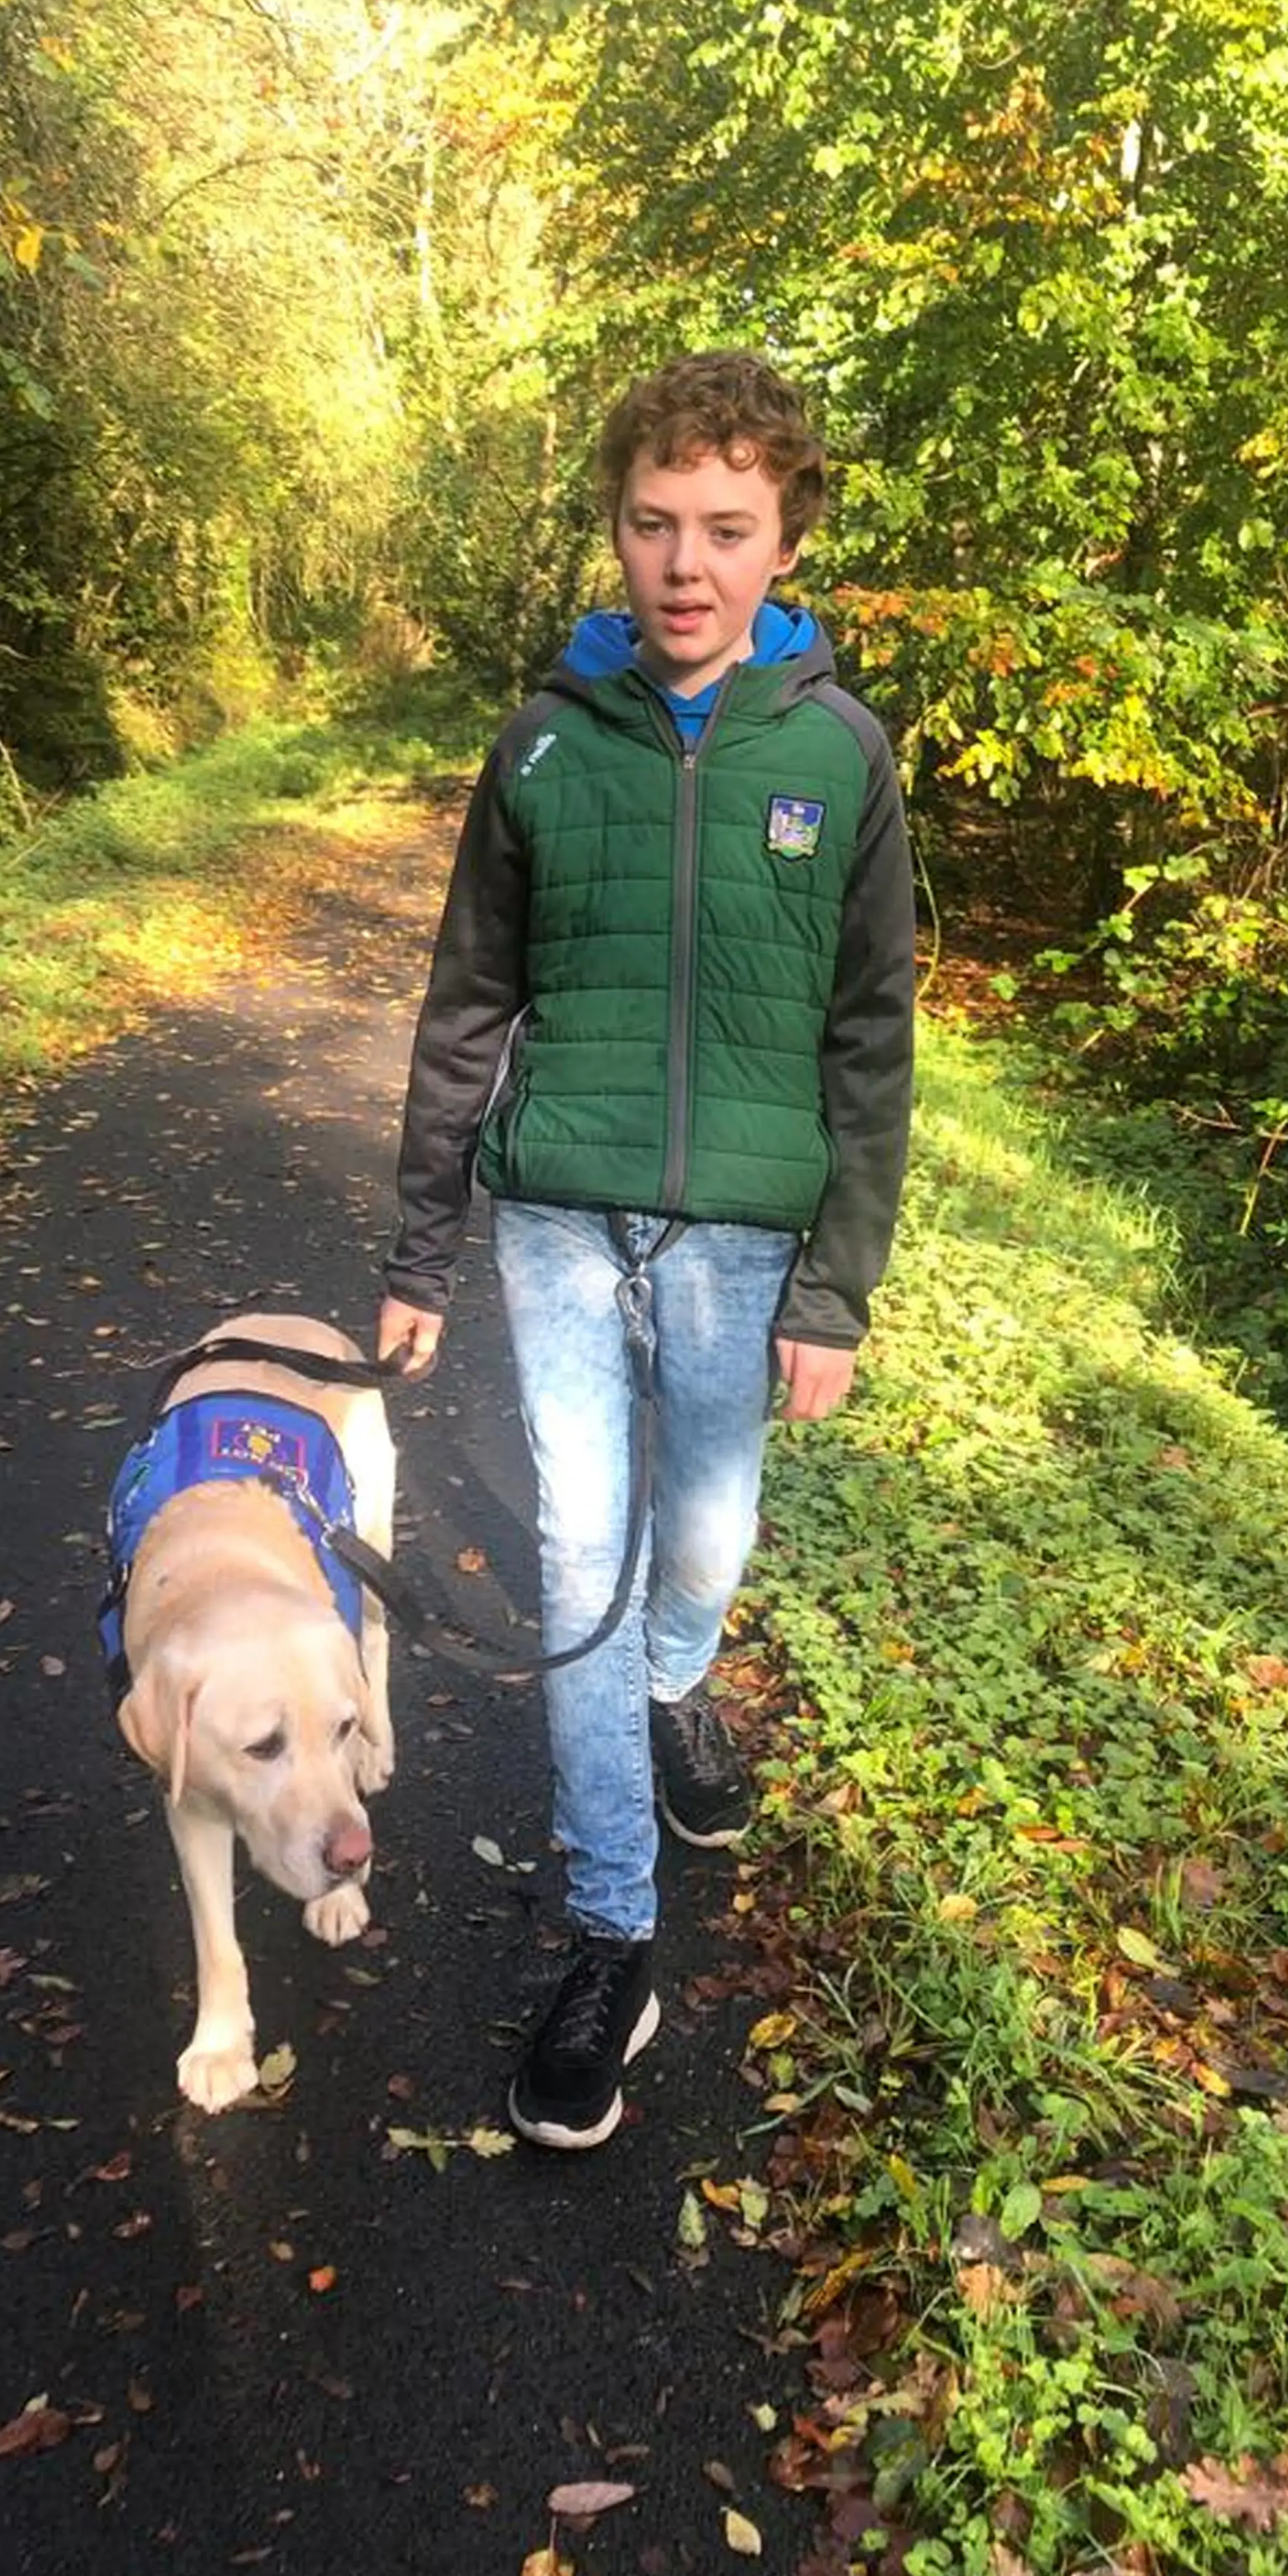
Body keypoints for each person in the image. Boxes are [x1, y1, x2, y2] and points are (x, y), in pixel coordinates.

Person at [378, 350, 915, 2151]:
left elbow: (870, 1043)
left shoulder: (839, 756)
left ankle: (685, 1685)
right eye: (654, 524)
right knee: (589, 1566)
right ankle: (613, 1932)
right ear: (614, 528)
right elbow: (466, 1010)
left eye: (728, 530)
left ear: (785, 541)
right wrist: (417, 1249)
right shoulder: (539, 742)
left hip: (743, 1241)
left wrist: (835, 1289)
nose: (687, 565)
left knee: (708, 1538)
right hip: (553, 1217)